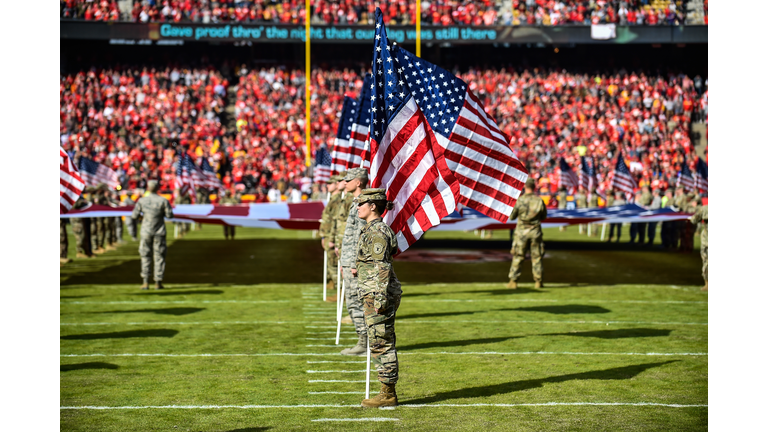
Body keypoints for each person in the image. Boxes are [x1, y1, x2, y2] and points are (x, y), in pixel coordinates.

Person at [353, 188, 402, 408]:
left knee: (381, 342)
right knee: (378, 340)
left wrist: (380, 298)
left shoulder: (377, 232)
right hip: (372, 292)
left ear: (373, 206)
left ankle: (388, 393)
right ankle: (386, 390)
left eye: (361, 204)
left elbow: (382, 267)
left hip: (377, 294)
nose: (358, 207)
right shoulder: (372, 229)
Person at [336, 168, 369, 355]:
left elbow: (360, 235)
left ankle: (364, 343)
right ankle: (363, 340)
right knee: (353, 301)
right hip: (349, 261)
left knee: (355, 302)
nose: (345, 183)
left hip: (354, 263)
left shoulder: (362, 203)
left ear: (358, 182)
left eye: (348, 180)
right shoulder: (356, 202)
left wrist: (355, 263)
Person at [132, 180, 174, 290]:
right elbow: (169, 215)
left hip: (146, 231)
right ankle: (158, 282)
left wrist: (144, 216)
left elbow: (134, 215)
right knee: (159, 256)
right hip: (159, 232)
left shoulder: (142, 201)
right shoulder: (163, 200)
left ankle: (145, 282)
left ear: (148, 188)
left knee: (145, 256)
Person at [507, 177, 547, 289]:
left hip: (521, 233)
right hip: (535, 232)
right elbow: (543, 216)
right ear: (534, 187)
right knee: (537, 257)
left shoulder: (519, 201)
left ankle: (513, 281)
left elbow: (512, 216)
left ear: (525, 186)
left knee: (518, 256)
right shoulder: (539, 200)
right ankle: (538, 282)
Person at [318, 175, 341, 300]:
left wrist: (332, 238)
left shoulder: (338, 199)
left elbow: (336, 220)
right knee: (332, 263)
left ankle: (339, 290)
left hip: (332, 236)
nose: (327, 185)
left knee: (334, 264)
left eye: (330, 183)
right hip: (328, 234)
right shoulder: (334, 199)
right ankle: (334, 283)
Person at [689, 203, 708, 291]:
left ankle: (707, 284)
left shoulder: (705, 209)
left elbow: (693, 220)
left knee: (707, 262)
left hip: (707, 241)